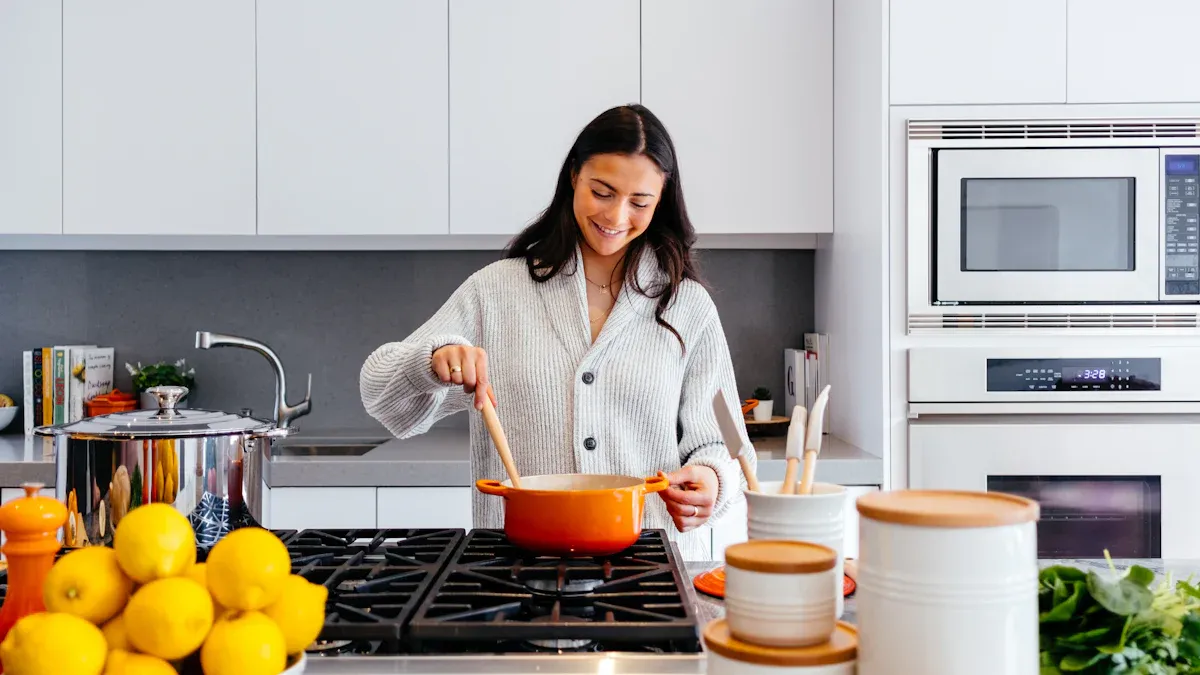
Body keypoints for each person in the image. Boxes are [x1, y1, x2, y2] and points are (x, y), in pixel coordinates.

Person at [359, 104, 756, 560]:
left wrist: (710, 479)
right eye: (602, 192)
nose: (617, 215)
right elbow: (381, 396)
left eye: (639, 202)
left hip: (646, 574)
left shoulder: (687, 306)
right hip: (513, 573)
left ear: (661, 200)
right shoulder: (498, 291)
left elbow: (723, 444)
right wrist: (431, 361)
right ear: (573, 177)